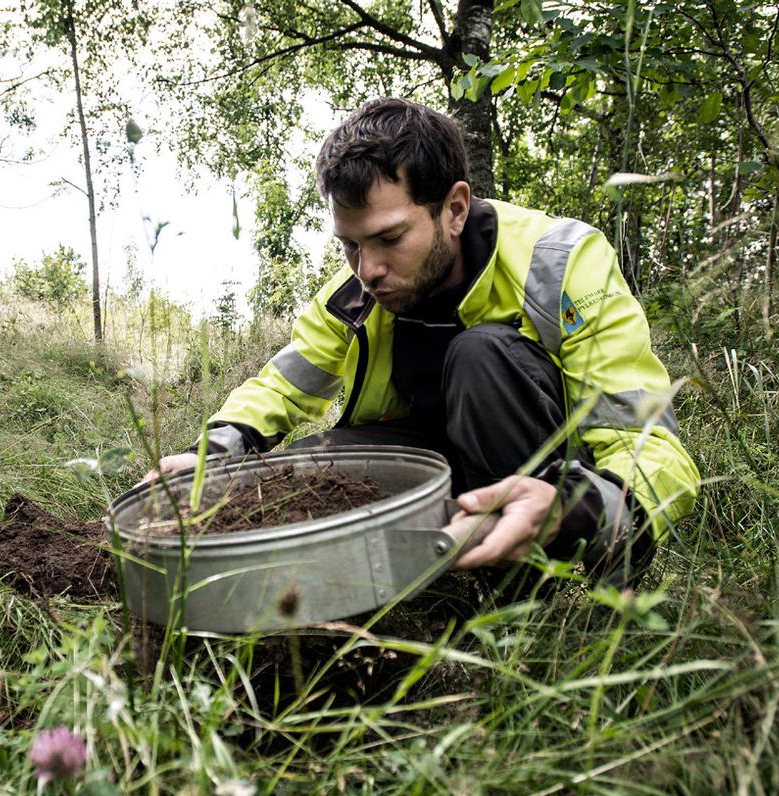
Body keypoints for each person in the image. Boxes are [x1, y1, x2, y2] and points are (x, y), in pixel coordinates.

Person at [145, 98, 699, 585]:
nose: (369, 269)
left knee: (481, 353)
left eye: (390, 238)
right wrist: (210, 454)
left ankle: (524, 585)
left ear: (454, 209)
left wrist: (579, 510)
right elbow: (284, 385)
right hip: (423, 463)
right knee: (294, 479)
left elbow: (644, 438)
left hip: (541, 478)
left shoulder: (560, 263)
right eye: (351, 245)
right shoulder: (353, 295)